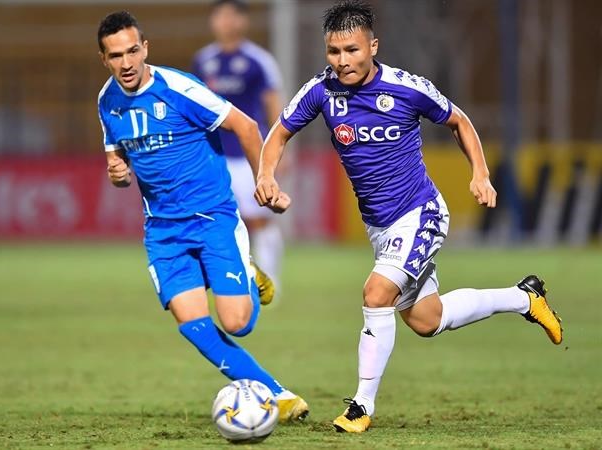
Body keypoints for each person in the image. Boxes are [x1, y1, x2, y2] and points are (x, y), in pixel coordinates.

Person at [254, 0, 562, 433]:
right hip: (380, 228)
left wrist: (480, 172)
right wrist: (266, 173)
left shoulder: (406, 88)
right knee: (426, 319)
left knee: (375, 293)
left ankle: (361, 407)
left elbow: (459, 121)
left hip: (420, 212)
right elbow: (279, 132)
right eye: (334, 52)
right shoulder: (321, 91)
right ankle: (525, 298)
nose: (342, 61)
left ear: (373, 46)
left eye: (352, 51)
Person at [96, 10, 307, 422]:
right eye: (116, 55)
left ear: (145, 49)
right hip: (163, 231)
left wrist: (266, 181)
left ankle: (247, 271)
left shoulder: (178, 88)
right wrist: (118, 174)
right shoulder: (107, 101)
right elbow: (118, 165)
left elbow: (247, 127)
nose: (126, 63)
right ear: (104, 59)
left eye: (132, 51)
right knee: (193, 324)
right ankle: (276, 394)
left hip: (212, 218)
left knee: (238, 322)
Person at [192, 0, 285, 288]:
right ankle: (231, 279)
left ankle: (271, 280)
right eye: (220, 16)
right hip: (213, 156)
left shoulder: (258, 60)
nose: (226, 22)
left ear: (243, 22)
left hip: (248, 155)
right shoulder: (202, 60)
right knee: (214, 220)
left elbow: (273, 105)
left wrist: (281, 151)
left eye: (232, 16)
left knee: (258, 218)